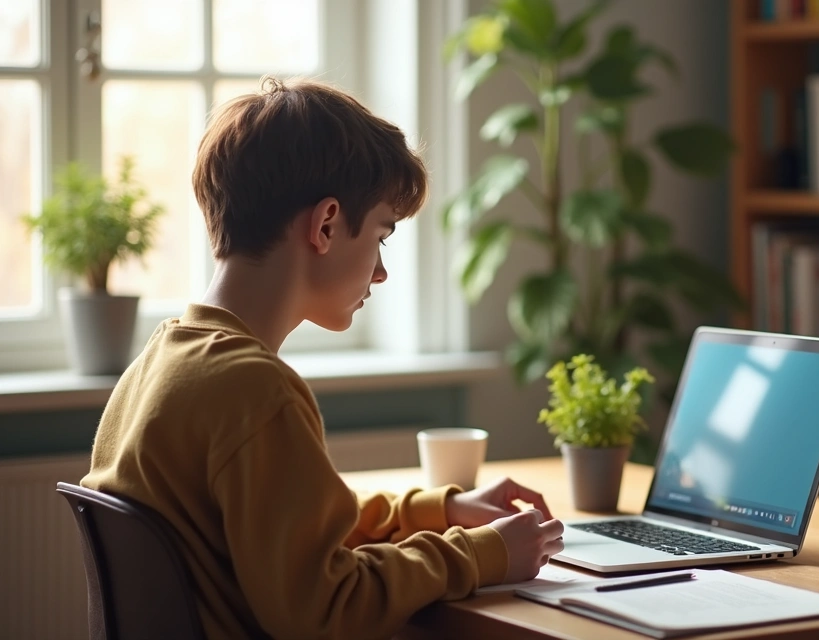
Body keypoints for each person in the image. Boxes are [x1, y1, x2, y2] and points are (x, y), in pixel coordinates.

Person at [81, 77, 565, 639]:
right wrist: (480, 554)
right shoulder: (255, 391)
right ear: (327, 224)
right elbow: (327, 607)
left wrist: (438, 511)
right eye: (381, 237)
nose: (381, 272)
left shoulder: (165, 360)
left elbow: (287, 522)